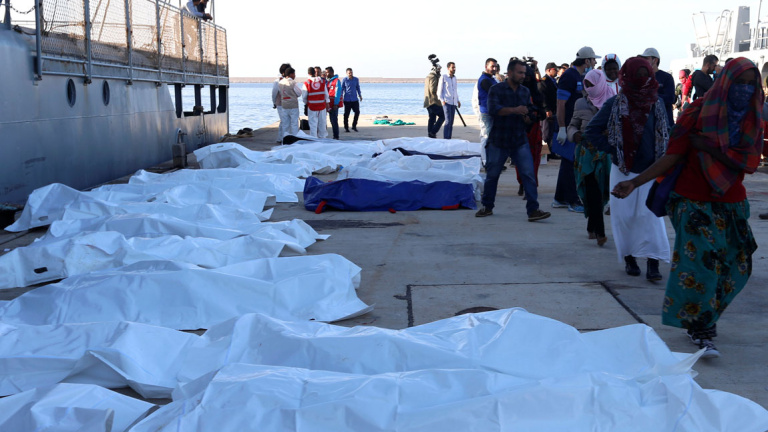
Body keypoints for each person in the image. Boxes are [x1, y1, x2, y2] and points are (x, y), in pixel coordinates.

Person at [611, 57, 763, 359]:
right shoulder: (697, 111)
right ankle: (701, 326)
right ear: (725, 82)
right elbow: (673, 155)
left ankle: (705, 315)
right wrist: (635, 182)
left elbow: (750, 163)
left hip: (731, 200)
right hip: (691, 197)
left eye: (751, 85)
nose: (745, 90)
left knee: (738, 264)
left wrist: (709, 147)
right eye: (739, 83)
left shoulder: (752, 117)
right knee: (701, 262)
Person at [585, 56, 670, 281]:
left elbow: (667, 132)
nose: (642, 79)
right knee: (625, 217)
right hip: (622, 169)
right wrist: (614, 150)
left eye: (645, 75)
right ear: (628, 77)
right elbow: (592, 131)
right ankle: (629, 257)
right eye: (637, 75)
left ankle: (653, 262)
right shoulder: (615, 104)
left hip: (651, 170)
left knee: (651, 217)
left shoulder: (657, 103)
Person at [475, 59, 551, 222]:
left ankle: (533, 210)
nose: (523, 76)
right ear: (509, 73)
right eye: (519, 72)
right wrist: (515, 110)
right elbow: (493, 110)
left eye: (524, 73)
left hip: (519, 139)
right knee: (492, 175)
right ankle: (487, 206)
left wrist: (529, 117)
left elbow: (528, 111)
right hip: (499, 139)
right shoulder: (496, 89)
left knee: (529, 174)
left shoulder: (524, 91)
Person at [569, 69, 615, 246]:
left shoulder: (613, 101)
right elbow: (573, 124)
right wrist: (574, 134)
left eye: (592, 85)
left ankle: (591, 226)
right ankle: (600, 232)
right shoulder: (581, 103)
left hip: (605, 153)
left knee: (601, 191)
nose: (589, 88)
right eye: (586, 85)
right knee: (592, 191)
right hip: (586, 154)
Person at [554, 46, 598, 212]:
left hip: (574, 125)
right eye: (593, 60)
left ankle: (560, 198)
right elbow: (560, 103)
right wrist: (562, 128)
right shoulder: (569, 76)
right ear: (586, 60)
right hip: (568, 126)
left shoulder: (579, 76)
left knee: (568, 162)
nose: (594, 63)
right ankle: (573, 200)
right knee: (571, 162)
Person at [640, 48, 675, 128]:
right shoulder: (642, 78)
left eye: (646, 58)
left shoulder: (666, 77)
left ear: (655, 60)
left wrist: (650, 96)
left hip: (665, 124)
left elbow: (670, 98)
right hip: (648, 125)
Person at [476, 58, 499, 154]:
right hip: (486, 113)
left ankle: (491, 158)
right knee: (487, 137)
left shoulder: (492, 79)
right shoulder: (484, 80)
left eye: (495, 67)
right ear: (486, 67)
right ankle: (485, 160)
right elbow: (495, 92)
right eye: (492, 66)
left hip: (493, 112)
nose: (494, 69)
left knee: (493, 137)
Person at [302, 67, 329, 138]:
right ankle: (323, 139)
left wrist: (307, 103)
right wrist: (327, 103)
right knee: (322, 125)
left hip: (312, 107)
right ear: (314, 73)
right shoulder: (322, 82)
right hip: (322, 107)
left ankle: (314, 140)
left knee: (313, 126)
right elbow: (326, 95)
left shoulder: (307, 83)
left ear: (308, 73)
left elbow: (304, 97)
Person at [538, 62, 559, 152]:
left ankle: (551, 151)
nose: (557, 71)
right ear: (549, 70)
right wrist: (546, 109)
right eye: (555, 69)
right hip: (547, 110)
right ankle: (544, 153)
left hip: (554, 109)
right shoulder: (544, 81)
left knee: (551, 132)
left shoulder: (553, 81)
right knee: (545, 133)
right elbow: (542, 96)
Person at [437, 62, 461, 139]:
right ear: (448, 68)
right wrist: (442, 100)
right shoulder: (444, 77)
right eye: (452, 67)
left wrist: (457, 100)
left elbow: (455, 90)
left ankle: (449, 138)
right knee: (447, 121)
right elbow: (439, 90)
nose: (454, 69)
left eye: (454, 67)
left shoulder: (454, 78)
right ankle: (446, 138)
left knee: (451, 122)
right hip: (446, 102)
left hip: (453, 102)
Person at [278, 67, 303, 139]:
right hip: (293, 105)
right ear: (291, 74)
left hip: (284, 105)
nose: (295, 75)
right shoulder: (292, 83)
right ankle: (294, 140)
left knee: (285, 124)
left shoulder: (280, 82)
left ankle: (285, 140)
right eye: (294, 74)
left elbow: (280, 92)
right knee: (294, 124)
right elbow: (299, 93)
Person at [424, 63, 444, 138]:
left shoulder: (428, 77)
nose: (440, 71)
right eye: (439, 69)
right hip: (433, 101)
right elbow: (433, 90)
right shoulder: (433, 77)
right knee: (443, 116)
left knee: (432, 118)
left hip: (428, 102)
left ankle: (430, 134)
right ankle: (433, 132)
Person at [272, 63, 291, 144]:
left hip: (288, 104)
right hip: (280, 103)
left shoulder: (289, 80)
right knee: (284, 120)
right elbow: (274, 93)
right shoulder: (278, 81)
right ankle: (283, 138)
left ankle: (280, 138)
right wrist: (274, 102)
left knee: (284, 121)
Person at [341, 68, 363, 132]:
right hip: (347, 99)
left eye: (351, 72)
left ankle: (354, 126)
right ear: (347, 73)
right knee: (346, 114)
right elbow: (342, 89)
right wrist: (341, 97)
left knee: (357, 112)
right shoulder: (344, 80)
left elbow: (358, 87)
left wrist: (360, 95)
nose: (350, 74)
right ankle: (346, 128)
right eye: (349, 73)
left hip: (354, 99)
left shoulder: (356, 79)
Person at [325, 67, 344, 140]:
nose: (326, 74)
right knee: (329, 120)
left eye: (327, 72)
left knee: (334, 121)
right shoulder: (327, 81)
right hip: (328, 104)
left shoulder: (336, 81)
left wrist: (336, 104)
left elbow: (338, 93)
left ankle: (336, 136)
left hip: (334, 104)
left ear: (331, 72)